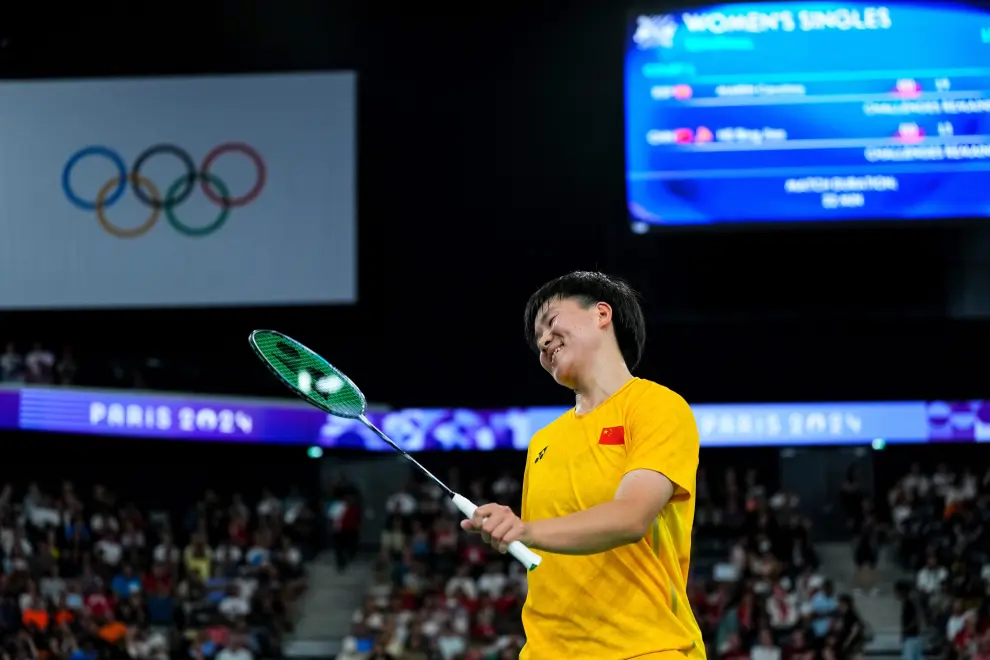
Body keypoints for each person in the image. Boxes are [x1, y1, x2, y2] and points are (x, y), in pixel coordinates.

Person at [461, 271, 705, 659]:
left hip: (645, 648)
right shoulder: (542, 442)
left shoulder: (655, 406)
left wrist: (524, 528)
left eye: (551, 321)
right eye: (537, 340)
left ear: (601, 314)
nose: (542, 341)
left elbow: (630, 517)